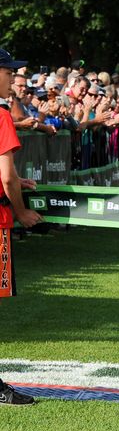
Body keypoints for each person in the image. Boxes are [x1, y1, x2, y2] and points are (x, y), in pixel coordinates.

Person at [0, 48, 44, 405]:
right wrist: (22, 211)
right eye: (8, 72)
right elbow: (6, 176)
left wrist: (16, 181)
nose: (15, 79)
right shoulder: (1, 117)